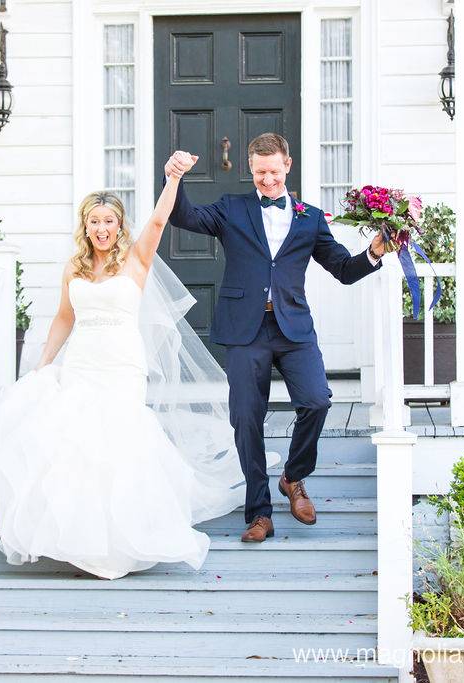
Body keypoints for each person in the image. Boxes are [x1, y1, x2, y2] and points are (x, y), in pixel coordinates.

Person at [0, 152, 270, 579]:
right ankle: (82, 539)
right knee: (77, 443)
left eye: (109, 221)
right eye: (94, 222)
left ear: (119, 226)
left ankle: (120, 539)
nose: (102, 229)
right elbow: (64, 318)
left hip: (122, 362)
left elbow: (160, 221)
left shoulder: (136, 259)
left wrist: (173, 179)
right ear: (85, 227)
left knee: (118, 443)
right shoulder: (75, 267)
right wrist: (44, 364)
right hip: (82, 361)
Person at [163, 132, 386, 543]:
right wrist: (175, 178)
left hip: (293, 328)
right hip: (246, 329)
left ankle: (293, 476)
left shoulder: (310, 217)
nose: (267, 179)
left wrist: (373, 252)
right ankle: (259, 514)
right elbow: (185, 218)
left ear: (288, 165)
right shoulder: (232, 208)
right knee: (246, 419)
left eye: (274, 171)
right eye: (260, 172)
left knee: (317, 401)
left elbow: (342, 268)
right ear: (250, 168)